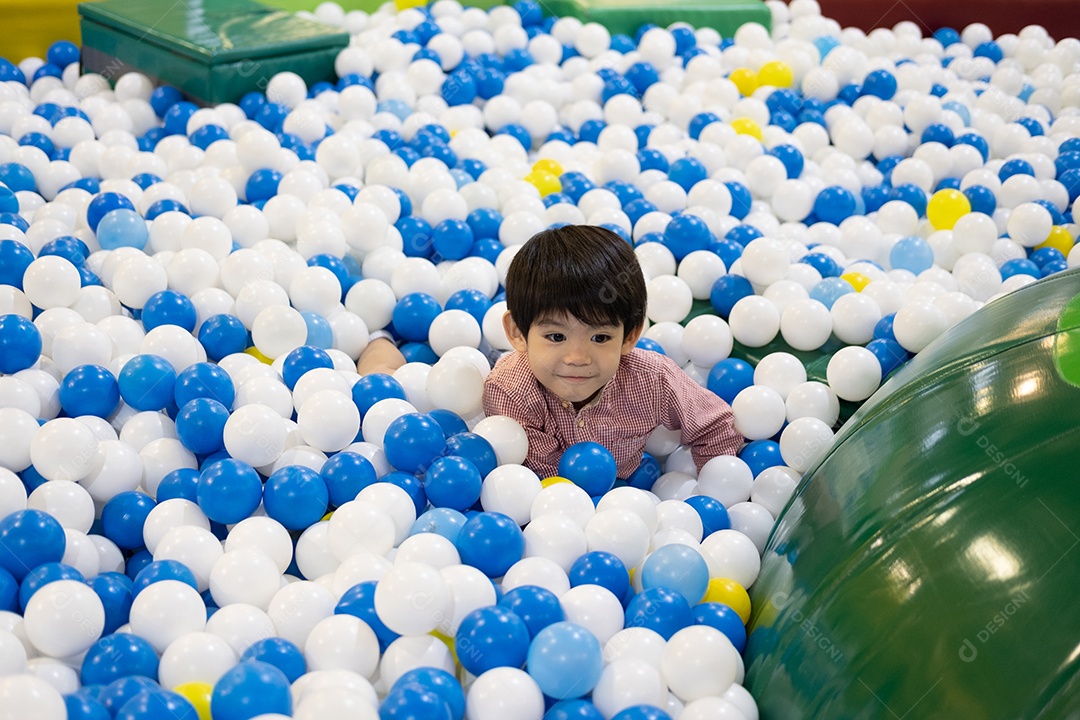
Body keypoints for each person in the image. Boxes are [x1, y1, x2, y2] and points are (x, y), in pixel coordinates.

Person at [482, 224, 744, 479]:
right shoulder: (510, 392)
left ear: (630, 336)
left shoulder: (652, 379)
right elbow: (536, 482)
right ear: (517, 332)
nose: (577, 358)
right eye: (556, 336)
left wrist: (716, 488)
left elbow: (716, 426)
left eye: (600, 337)